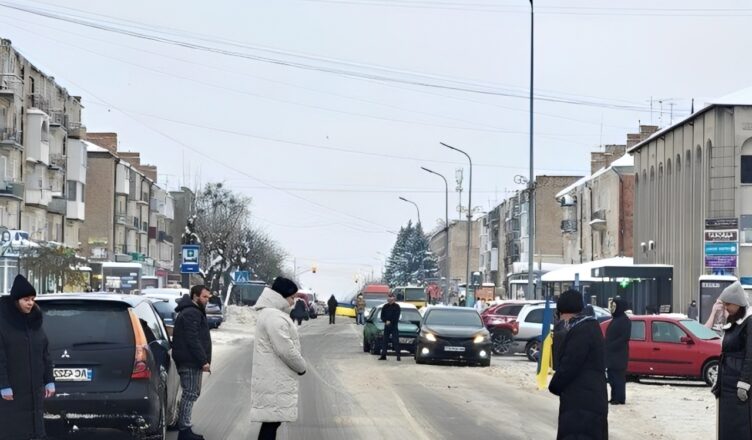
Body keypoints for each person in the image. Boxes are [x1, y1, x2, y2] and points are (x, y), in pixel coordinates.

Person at [250, 277, 306, 440]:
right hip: (275, 378)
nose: (293, 301)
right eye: (292, 297)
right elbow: (285, 349)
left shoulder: (271, 314)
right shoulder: (274, 317)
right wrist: (301, 366)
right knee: (272, 422)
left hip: (273, 376)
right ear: (282, 296)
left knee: (272, 422)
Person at [0, 275, 54, 440]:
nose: (30, 303)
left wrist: (49, 380)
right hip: (12, 391)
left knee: (35, 431)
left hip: (34, 390)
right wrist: (3, 385)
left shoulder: (35, 323)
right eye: (26, 299)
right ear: (16, 301)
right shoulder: (4, 324)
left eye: (32, 299)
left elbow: (45, 355)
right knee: (13, 430)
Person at [548, 289, 608, 439]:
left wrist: (555, 385)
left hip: (582, 403)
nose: (560, 319)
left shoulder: (581, 331)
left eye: (560, 314)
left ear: (565, 311)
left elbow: (570, 364)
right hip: (589, 398)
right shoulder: (589, 327)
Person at [712, 281, 752, 440]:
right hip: (728, 384)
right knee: (727, 426)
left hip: (738, 385)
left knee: (740, 427)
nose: (725, 307)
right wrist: (719, 381)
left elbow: (750, 355)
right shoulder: (733, 321)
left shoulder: (749, 322)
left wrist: (744, 382)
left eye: (728, 304)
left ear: (738, 303)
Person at [172, 285, 213, 440]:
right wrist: (203, 361)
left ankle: (183, 424)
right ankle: (184, 430)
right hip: (190, 360)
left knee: (191, 393)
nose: (207, 300)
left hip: (190, 359)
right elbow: (192, 339)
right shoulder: (191, 313)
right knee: (190, 393)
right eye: (204, 297)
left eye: (208, 297)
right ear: (195, 296)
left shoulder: (193, 311)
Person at [605, 296, 631, 405]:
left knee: (618, 378)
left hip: (619, 355)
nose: (612, 308)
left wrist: (611, 345)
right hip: (612, 355)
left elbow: (624, 337)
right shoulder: (615, 319)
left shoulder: (625, 320)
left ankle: (619, 398)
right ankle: (614, 397)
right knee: (612, 377)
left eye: (614, 306)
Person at [379, 293, 401, 361]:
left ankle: (398, 356)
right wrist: (385, 321)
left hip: (394, 326)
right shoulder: (385, 306)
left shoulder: (397, 307)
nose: (390, 300)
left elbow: (396, 316)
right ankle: (383, 355)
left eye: (392, 299)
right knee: (385, 341)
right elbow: (382, 316)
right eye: (389, 299)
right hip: (387, 326)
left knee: (395, 341)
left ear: (394, 299)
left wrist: (390, 321)